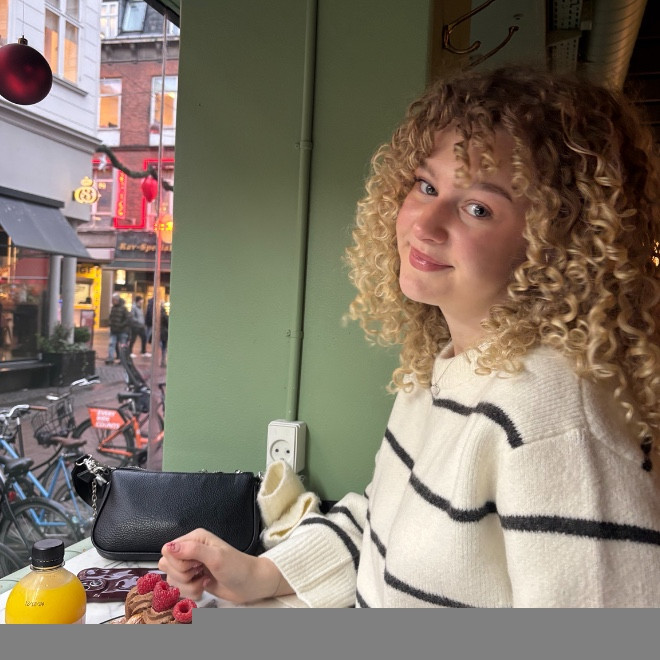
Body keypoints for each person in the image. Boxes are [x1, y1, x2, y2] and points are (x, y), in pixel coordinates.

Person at [158, 66, 660, 607]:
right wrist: (262, 573)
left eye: (478, 208)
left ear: (559, 243)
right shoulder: (443, 367)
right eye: (426, 186)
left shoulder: (555, 416)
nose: (425, 223)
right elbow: (382, 520)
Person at [106, 293, 131, 364]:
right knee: (112, 344)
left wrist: (121, 325)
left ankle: (123, 359)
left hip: (122, 331)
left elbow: (128, 319)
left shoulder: (123, 308)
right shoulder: (113, 308)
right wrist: (110, 323)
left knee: (122, 346)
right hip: (114, 330)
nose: (112, 301)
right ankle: (110, 358)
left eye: (113, 300)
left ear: (117, 300)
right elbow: (111, 317)